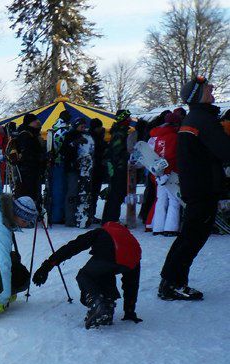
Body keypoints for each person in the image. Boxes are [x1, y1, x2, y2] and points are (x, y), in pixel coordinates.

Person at [158, 76, 230, 301]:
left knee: (190, 236)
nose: (212, 88)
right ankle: (172, 283)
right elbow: (226, 151)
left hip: (198, 185)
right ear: (198, 95)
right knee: (192, 237)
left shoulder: (198, 117)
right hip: (202, 187)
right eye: (207, 88)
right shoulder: (202, 119)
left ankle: (171, 282)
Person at [32, 222, 142, 329]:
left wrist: (47, 266)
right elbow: (132, 282)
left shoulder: (102, 231)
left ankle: (97, 303)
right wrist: (130, 310)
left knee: (85, 276)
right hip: (131, 260)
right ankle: (107, 306)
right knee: (105, 273)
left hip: (107, 255)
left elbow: (73, 247)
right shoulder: (130, 240)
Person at [147, 111, 182, 236]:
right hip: (172, 172)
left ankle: (157, 227)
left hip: (158, 173)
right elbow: (173, 156)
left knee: (160, 200)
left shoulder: (156, 137)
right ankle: (170, 228)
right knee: (174, 200)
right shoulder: (175, 137)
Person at [7, 113, 44, 212]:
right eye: (35, 121)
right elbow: (28, 153)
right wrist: (39, 158)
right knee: (28, 194)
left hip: (31, 170)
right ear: (29, 123)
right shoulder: (26, 135)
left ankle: (32, 212)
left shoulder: (32, 134)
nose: (37, 123)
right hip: (27, 171)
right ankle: (27, 213)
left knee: (32, 193)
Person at [101, 110, 132, 223]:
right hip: (117, 167)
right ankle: (111, 219)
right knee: (115, 193)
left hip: (119, 166)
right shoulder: (119, 132)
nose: (130, 120)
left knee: (117, 193)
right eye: (128, 118)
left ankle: (111, 218)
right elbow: (116, 151)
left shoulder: (121, 131)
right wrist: (127, 155)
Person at [62, 119, 94, 228]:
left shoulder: (87, 136)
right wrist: (74, 143)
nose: (83, 128)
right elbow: (64, 151)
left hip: (84, 169)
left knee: (83, 193)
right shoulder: (70, 135)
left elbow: (90, 150)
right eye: (81, 126)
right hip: (73, 169)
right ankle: (70, 218)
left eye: (84, 126)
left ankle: (82, 216)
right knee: (72, 192)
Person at [88, 118, 107, 221]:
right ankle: (91, 214)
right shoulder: (95, 139)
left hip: (95, 168)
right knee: (93, 192)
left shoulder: (92, 137)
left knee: (93, 193)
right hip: (96, 168)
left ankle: (90, 214)